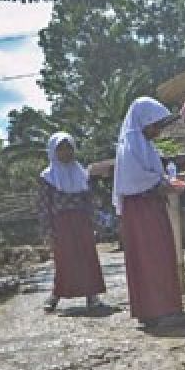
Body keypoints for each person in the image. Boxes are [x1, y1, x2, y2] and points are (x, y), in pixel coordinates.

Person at [113, 96, 185, 328]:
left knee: (160, 255)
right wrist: (162, 184)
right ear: (144, 121)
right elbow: (135, 179)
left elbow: (151, 175)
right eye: (156, 125)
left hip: (150, 207)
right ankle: (157, 310)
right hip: (140, 210)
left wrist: (165, 182)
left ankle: (162, 308)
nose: (158, 131)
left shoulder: (144, 145)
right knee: (150, 257)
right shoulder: (132, 143)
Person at [37, 132, 105, 312]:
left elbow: (89, 201)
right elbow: (44, 206)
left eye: (69, 148)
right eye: (61, 149)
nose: (66, 152)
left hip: (82, 222)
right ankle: (56, 295)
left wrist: (95, 223)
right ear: (53, 151)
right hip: (61, 224)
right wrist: (47, 231)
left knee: (87, 256)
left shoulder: (82, 173)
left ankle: (92, 295)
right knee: (64, 260)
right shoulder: (47, 177)